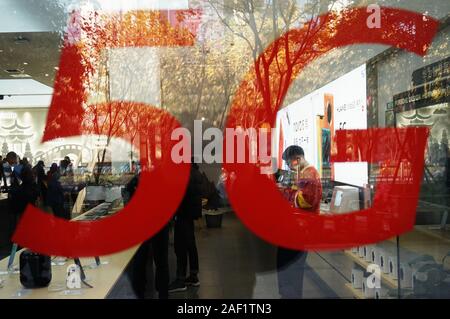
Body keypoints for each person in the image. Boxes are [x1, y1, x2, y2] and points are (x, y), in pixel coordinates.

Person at [276, 145, 322, 299]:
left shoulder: (310, 174)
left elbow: (305, 201)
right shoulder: (303, 173)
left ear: (297, 159)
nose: (289, 166)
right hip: (294, 228)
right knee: (286, 264)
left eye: (289, 163)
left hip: (301, 230)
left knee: (293, 267)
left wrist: (286, 193)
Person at [127, 173, 170, 299]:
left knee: (140, 261)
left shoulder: (137, 179)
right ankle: (163, 293)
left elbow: (129, 192)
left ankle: (139, 292)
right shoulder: (162, 177)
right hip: (160, 222)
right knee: (161, 262)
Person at [169, 161, 202, 293]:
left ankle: (180, 279)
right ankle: (193, 276)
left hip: (183, 213)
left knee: (180, 246)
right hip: (190, 213)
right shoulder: (194, 171)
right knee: (190, 244)